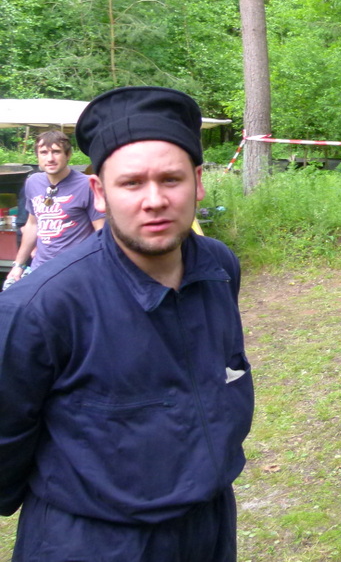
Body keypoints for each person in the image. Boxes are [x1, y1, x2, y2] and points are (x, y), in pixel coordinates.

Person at [0, 86, 254, 561]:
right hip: (93, 542)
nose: (154, 200)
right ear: (99, 192)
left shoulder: (219, 268)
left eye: (171, 179)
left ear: (198, 182)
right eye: (132, 183)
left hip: (208, 528)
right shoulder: (39, 307)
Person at [4, 130, 104, 287]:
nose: (50, 158)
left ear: (68, 154)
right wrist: (18, 265)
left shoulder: (87, 185)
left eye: (56, 152)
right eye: (44, 152)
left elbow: (101, 233)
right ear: (37, 156)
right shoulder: (33, 182)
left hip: (75, 272)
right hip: (40, 269)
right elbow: (32, 225)